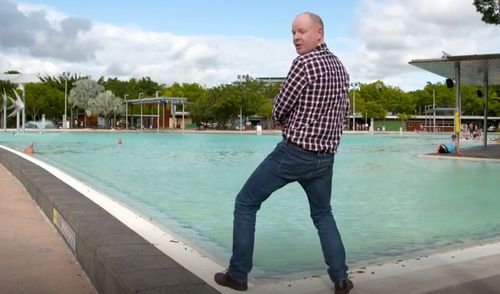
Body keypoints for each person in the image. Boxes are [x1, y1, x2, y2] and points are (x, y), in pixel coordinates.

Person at [214, 12, 353, 294]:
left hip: (293, 154)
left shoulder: (303, 65)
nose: (296, 38)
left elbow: (279, 109)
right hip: (325, 159)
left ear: (319, 33)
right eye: (292, 33)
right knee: (323, 214)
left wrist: (291, 124)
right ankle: (341, 279)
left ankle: (238, 275)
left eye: (301, 32)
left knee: (245, 203)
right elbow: (344, 112)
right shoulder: (340, 67)